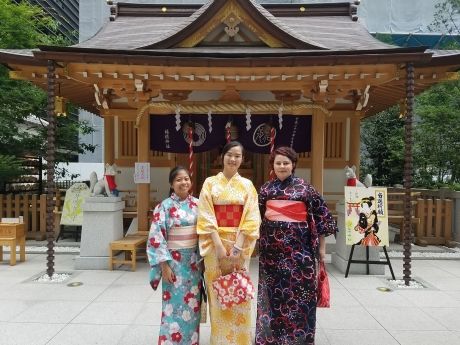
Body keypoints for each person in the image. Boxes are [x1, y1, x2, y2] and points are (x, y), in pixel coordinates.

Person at [255, 146, 338, 345]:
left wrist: (322, 248)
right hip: (271, 252)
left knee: (300, 295)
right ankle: (270, 338)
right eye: (278, 163)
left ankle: (299, 338)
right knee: (272, 294)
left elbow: (322, 218)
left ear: (293, 165)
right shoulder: (265, 189)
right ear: (272, 165)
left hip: (300, 251)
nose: (282, 166)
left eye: (286, 163)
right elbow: (255, 218)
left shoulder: (305, 188)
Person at [197, 141, 261, 345]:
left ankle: (241, 340)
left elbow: (252, 217)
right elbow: (205, 214)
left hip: (238, 246)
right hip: (214, 246)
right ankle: (219, 339)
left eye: (237, 156)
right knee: (218, 292)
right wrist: (217, 244)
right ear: (222, 156)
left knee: (238, 290)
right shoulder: (210, 183)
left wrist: (239, 246)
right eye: (229, 155)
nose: (233, 159)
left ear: (242, 159)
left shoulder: (247, 185)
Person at [147, 166, 201, 345]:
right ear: (171, 184)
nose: (183, 182)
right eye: (178, 180)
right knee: (173, 307)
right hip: (174, 263)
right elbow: (157, 237)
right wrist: (164, 265)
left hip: (193, 263)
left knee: (192, 307)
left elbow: (206, 232)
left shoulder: (198, 204)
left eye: (186, 179)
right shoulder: (164, 206)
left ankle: (191, 341)